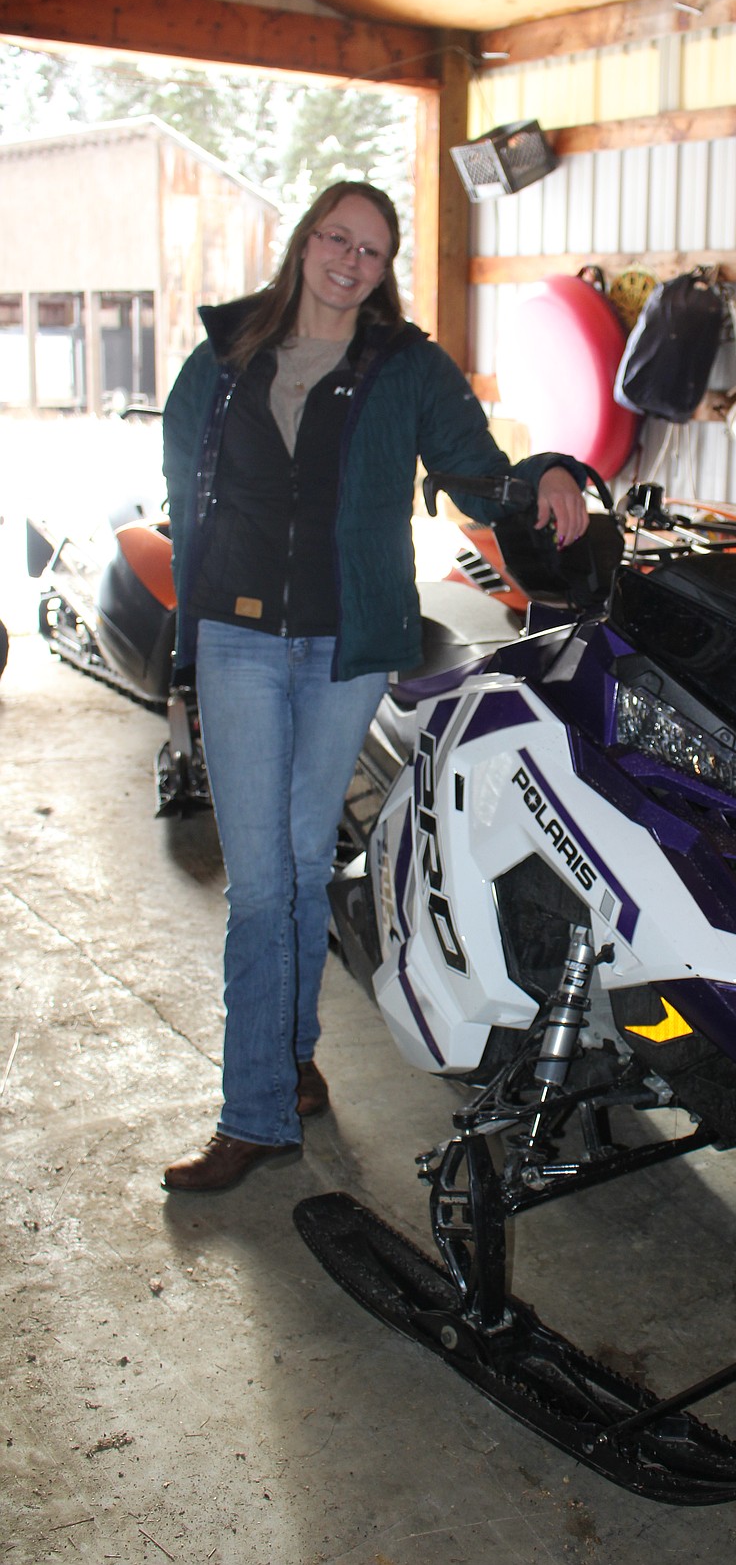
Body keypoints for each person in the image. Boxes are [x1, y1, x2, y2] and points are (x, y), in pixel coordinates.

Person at [160, 180, 588, 1192]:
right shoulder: (224, 356)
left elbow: (478, 472)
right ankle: (255, 1108)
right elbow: (188, 500)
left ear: (387, 268)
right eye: (337, 239)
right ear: (306, 240)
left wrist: (554, 473)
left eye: (374, 250)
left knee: (303, 868)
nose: (351, 260)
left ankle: (285, 1064)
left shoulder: (405, 367)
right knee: (264, 884)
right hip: (239, 639)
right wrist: (185, 648)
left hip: (348, 644)